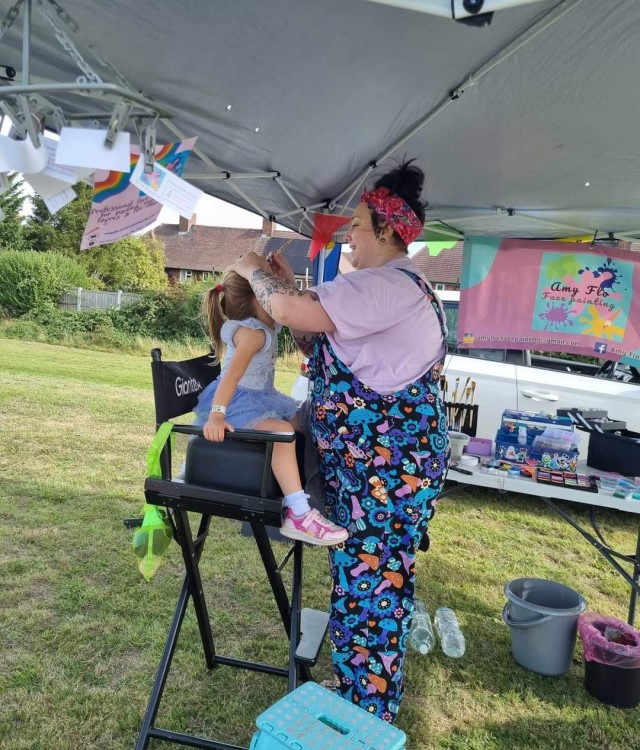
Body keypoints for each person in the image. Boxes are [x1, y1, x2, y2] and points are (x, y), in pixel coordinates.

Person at [232, 160, 451, 723]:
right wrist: (285, 284)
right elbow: (320, 338)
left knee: (374, 585)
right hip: (376, 467)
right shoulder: (383, 288)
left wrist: (256, 269)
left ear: (386, 230)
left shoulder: (386, 283)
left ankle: (367, 713)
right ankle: (356, 694)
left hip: (388, 469)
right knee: (364, 579)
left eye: (357, 224)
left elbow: (285, 310)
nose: (348, 233)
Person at [193, 269, 349, 547]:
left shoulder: (266, 327)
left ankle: (321, 492)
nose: (276, 296)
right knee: (282, 433)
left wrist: (281, 275)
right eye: (271, 290)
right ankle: (299, 512)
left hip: (261, 397)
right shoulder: (252, 333)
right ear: (257, 298)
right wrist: (217, 415)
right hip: (236, 405)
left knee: (308, 419)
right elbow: (231, 376)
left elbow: (292, 312)